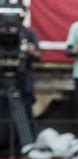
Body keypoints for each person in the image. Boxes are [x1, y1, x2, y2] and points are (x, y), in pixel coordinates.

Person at [0, 4, 41, 151]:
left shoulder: (28, 32)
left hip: (22, 82)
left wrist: (30, 51)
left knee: (25, 117)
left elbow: (38, 55)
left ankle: (27, 148)